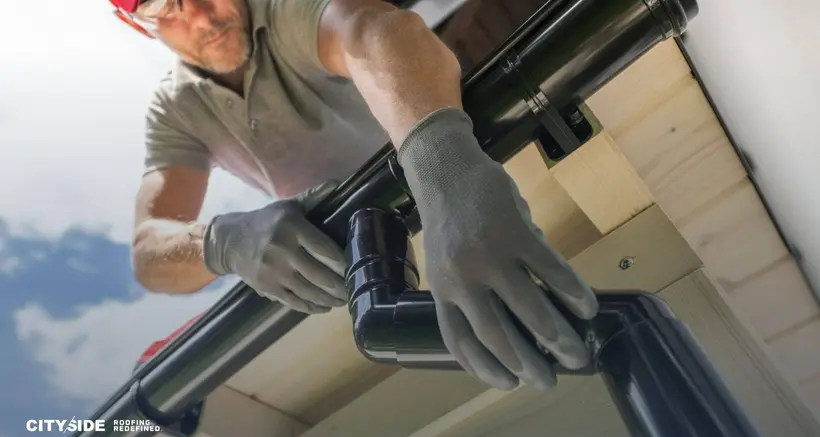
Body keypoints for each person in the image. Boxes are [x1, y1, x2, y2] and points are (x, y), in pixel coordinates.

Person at [114, 0, 599, 391]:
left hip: (461, 182)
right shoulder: (175, 110)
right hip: (351, 255)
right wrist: (220, 242)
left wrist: (443, 168)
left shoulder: (279, 9)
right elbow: (149, 249)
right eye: (164, 6)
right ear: (138, 25)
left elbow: (370, 32)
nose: (201, 15)